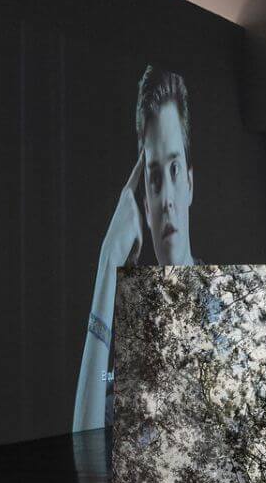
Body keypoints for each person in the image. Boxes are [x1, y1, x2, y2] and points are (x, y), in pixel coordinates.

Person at [72, 66, 196, 432]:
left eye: (174, 170)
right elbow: (85, 447)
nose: (168, 200)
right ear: (144, 204)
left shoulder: (223, 305)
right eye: (154, 178)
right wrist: (107, 262)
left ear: (190, 184)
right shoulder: (132, 325)